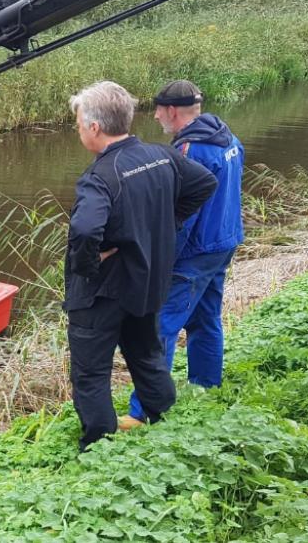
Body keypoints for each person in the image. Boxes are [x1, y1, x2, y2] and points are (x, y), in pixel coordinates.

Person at [64, 81, 218, 451]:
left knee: (91, 373)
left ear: (95, 127)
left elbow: (84, 230)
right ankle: (160, 414)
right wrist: (167, 222)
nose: (79, 130)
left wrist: (88, 264)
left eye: (79, 124)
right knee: (146, 353)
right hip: (146, 281)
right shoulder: (160, 156)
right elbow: (204, 183)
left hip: (102, 293)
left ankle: (99, 444)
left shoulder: (99, 178)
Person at [121, 80, 245, 429]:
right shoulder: (227, 138)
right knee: (206, 319)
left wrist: (161, 260)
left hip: (194, 254)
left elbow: (181, 217)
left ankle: (144, 411)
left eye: (159, 110)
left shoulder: (191, 150)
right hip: (224, 242)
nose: (156, 116)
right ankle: (206, 388)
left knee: (159, 327)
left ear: (172, 111)